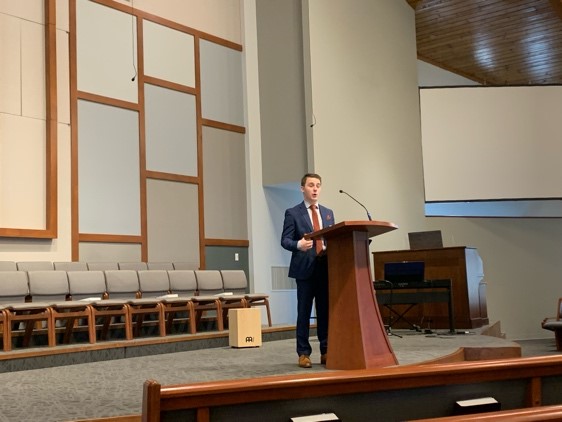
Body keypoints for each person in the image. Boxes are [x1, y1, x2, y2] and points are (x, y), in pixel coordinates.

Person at [281, 173, 335, 368]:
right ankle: (303, 353)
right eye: (311, 185)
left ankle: (326, 350)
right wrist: (298, 244)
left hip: (325, 268)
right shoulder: (293, 213)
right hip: (304, 270)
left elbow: (332, 237)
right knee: (303, 312)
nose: (315, 189)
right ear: (302, 188)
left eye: (318, 185)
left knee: (324, 312)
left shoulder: (328, 213)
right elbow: (285, 240)